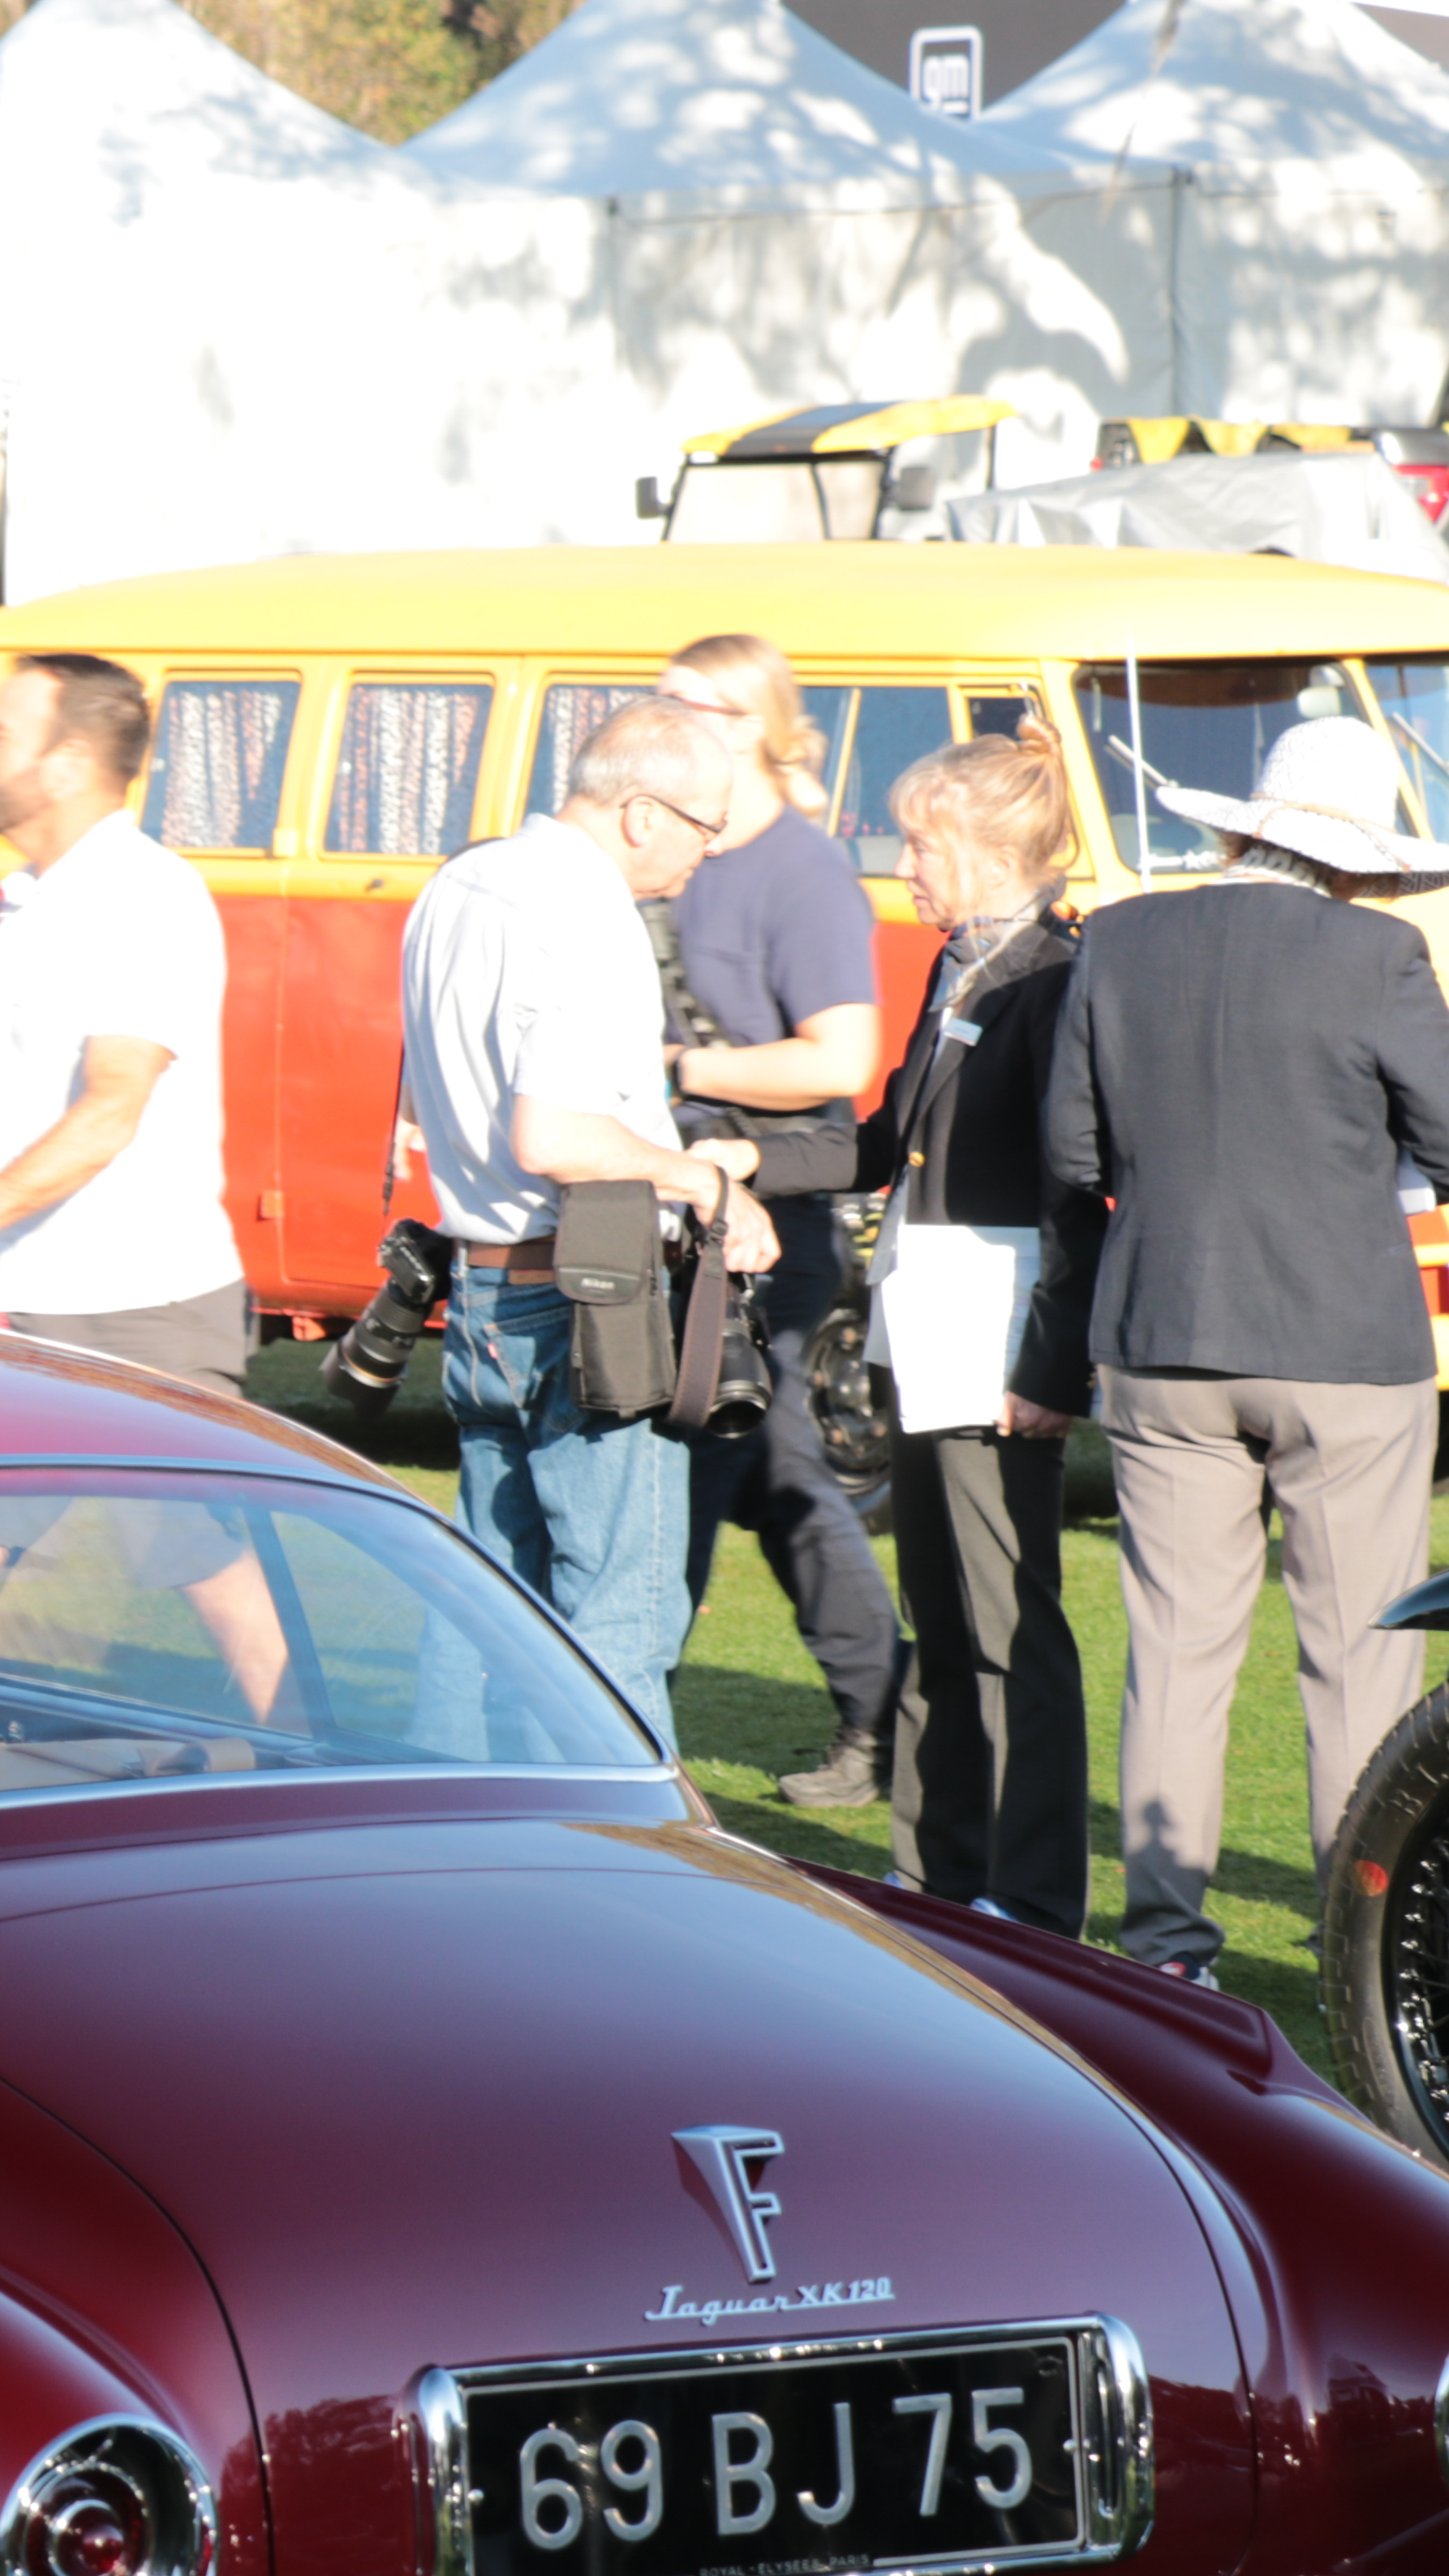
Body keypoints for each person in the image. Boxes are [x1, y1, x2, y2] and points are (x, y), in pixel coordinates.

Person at [1043, 717, 1449, 1986]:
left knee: (1177, 1657)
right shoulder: (1378, 954)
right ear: (1355, 861)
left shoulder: (1123, 936)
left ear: (1244, 825)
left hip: (1161, 1330)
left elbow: (1073, 1156)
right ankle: (1368, 1952)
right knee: (1357, 1666)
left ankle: (1167, 1953)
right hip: (1343, 1343)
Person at [0, 650, 282, 1698]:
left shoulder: (141, 895)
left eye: (0, 731)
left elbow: (114, 1104)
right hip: (25, 1302)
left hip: (143, 1307)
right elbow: (44, 1113)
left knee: (216, 1584)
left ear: (71, 759)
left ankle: (341, 1803)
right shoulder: (27, 898)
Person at [396, 695, 774, 1724]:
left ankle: (457, 1857)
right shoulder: (585, 908)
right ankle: (626, 1864)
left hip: (482, 1285)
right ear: (644, 813)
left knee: (482, 1621)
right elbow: (553, 1136)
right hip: (580, 1298)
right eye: (707, 824)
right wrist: (701, 1180)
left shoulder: (461, 881)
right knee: (620, 1623)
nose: (712, 848)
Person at [861, 721, 1101, 1934]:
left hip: (995, 1332)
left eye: (919, 840)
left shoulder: (1054, 977)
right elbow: (891, 1134)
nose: (902, 862)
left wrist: (1052, 1362)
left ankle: (1034, 1892)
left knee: (1011, 1623)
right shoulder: (962, 961)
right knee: (941, 1612)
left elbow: (1079, 1188)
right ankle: (938, 1874)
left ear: (990, 846)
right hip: (929, 1317)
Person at [653, 634, 900, 1812]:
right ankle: (889, 1719)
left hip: (767, 1226)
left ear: (748, 723)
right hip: (684, 1211)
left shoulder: (800, 871)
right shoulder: (680, 846)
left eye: (679, 704)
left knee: (687, 1471)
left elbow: (839, 1058)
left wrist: (685, 1065)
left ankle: (617, 1728)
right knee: (771, 1474)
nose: (655, 720)